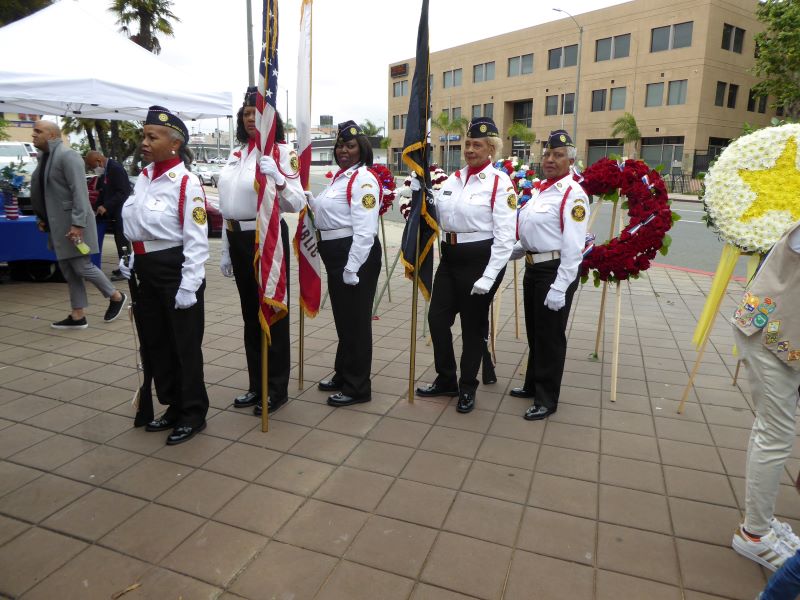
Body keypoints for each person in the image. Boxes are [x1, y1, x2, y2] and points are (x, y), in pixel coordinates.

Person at [119, 106, 210, 446]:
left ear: (174, 143)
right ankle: (172, 405)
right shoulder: (144, 178)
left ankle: (193, 412)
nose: (144, 142)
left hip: (176, 271)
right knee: (157, 343)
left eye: (151, 137)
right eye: (144, 135)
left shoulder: (186, 182)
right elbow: (137, 224)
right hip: (145, 270)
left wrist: (190, 284)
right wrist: (131, 255)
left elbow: (196, 239)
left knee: (184, 346)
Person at [415, 117, 516, 413]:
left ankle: (468, 387)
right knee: (437, 319)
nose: (470, 149)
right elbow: (442, 212)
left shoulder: (500, 183)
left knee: (472, 327)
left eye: (477, 145)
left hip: (480, 259)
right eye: (468, 144)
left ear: (491, 149)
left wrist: (489, 275)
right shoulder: (454, 178)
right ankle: (446, 378)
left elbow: (506, 236)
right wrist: (420, 195)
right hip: (449, 257)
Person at [217, 87, 304, 416]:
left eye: (257, 112)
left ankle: (276, 387)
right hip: (237, 238)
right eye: (246, 113)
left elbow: (296, 202)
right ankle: (256, 384)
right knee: (249, 316)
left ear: (271, 117)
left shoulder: (282, 151)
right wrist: (226, 248)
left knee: (273, 311)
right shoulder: (237, 152)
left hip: (266, 237)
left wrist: (278, 178)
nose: (250, 118)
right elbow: (228, 205)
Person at [730, 221, 800, 571]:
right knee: (775, 433)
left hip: (785, 338)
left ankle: (762, 523)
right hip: (770, 334)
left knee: (774, 431)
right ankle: (754, 534)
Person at [508, 130, 588, 420]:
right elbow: (540, 230)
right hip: (533, 266)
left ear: (570, 160)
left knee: (550, 336)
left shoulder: (572, 193)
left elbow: (573, 244)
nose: (550, 159)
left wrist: (560, 286)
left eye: (558, 155)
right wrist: (518, 248)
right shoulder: (543, 189)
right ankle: (532, 384)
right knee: (535, 331)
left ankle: (546, 397)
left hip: (554, 271)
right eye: (547, 154)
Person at [306, 121, 382, 407]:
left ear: (362, 148)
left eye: (350, 146)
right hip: (336, 252)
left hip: (354, 254)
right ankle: (343, 373)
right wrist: (311, 200)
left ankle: (357, 387)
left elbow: (365, 229)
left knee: (356, 323)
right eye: (340, 146)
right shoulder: (341, 177)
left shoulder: (363, 179)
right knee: (344, 321)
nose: (343, 151)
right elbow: (332, 215)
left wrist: (352, 267)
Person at [29, 120, 127, 329]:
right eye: (33, 131)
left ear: (53, 135)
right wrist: (41, 218)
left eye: (39, 131)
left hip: (73, 225)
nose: (33, 135)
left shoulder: (67, 156)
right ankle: (77, 315)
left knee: (81, 266)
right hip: (57, 225)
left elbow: (80, 194)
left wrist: (78, 224)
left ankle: (116, 296)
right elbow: (45, 193)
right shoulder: (44, 158)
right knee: (68, 268)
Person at [84, 150, 132, 281]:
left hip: (121, 211)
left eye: (92, 166)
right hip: (114, 212)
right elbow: (102, 192)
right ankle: (124, 266)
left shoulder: (115, 168)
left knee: (122, 240)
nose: (93, 169)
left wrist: (106, 206)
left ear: (98, 161)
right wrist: (96, 207)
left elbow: (123, 192)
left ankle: (127, 269)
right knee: (118, 240)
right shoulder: (105, 170)